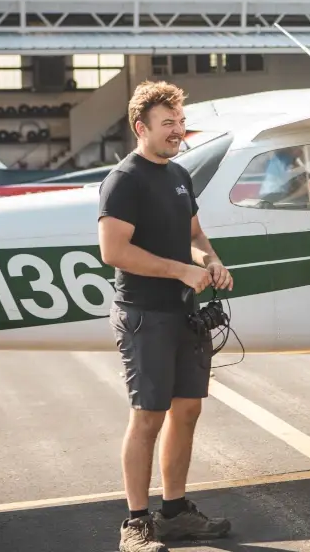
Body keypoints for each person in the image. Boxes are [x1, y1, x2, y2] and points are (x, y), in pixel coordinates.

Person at [98, 80, 235, 552]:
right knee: (148, 417)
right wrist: (179, 270)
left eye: (180, 122)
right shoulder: (125, 179)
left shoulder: (178, 175)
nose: (178, 131)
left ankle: (174, 513)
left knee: (188, 411)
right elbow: (114, 251)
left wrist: (210, 261)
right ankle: (135, 526)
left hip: (184, 315)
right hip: (144, 315)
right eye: (168, 123)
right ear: (142, 128)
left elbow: (195, 234)